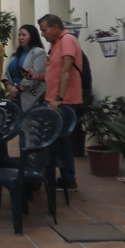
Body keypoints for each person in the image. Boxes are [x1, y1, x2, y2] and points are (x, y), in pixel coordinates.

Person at [37, 14, 85, 190]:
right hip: (55, 101)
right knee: (59, 143)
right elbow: (55, 73)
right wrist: (37, 77)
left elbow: (66, 70)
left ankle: (67, 179)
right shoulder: (56, 43)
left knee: (61, 143)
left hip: (65, 102)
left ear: (56, 27)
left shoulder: (68, 40)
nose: (42, 34)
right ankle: (62, 178)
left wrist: (59, 98)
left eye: (45, 30)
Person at [5, 24, 48, 119]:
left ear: (32, 36)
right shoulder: (14, 53)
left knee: (28, 124)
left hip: (30, 96)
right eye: (19, 35)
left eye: (24, 35)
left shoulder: (39, 52)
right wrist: (9, 88)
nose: (20, 38)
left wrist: (18, 89)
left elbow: (34, 75)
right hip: (14, 95)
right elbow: (6, 74)